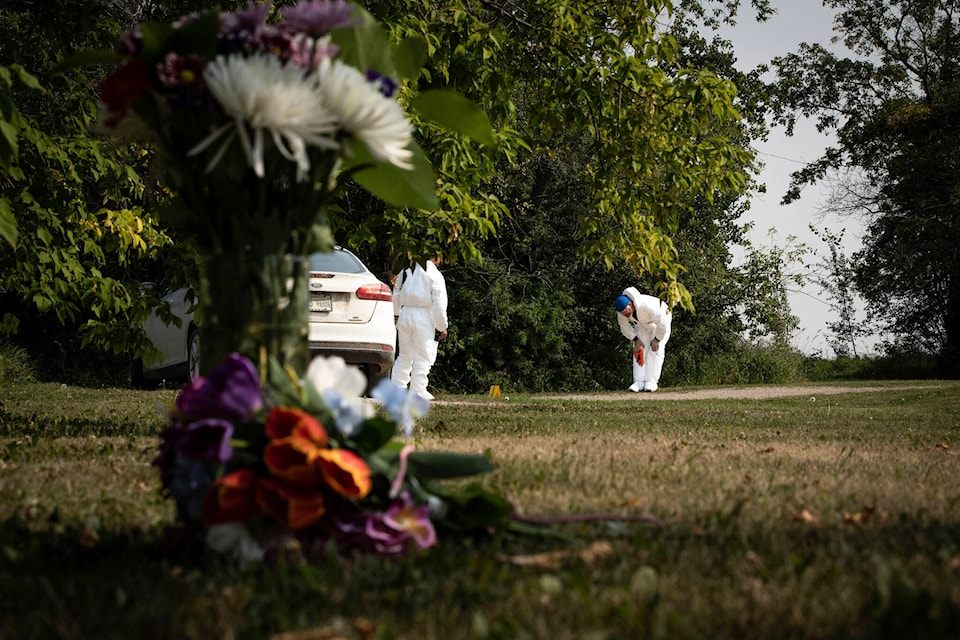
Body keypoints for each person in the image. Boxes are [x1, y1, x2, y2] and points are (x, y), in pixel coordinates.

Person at [391, 257, 448, 400]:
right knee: (423, 354)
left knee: (404, 354)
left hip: (405, 314)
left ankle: (397, 389)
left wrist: (397, 312)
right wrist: (442, 326)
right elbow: (439, 303)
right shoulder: (434, 274)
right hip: (424, 315)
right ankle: (417, 390)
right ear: (436, 258)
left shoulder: (405, 270)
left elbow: (396, 294)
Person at [614, 287, 672, 392]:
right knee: (639, 350)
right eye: (621, 312)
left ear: (630, 304)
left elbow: (662, 323)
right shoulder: (622, 312)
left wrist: (657, 339)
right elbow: (624, 327)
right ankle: (639, 381)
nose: (624, 314)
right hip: (643, 326)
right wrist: (636, 340)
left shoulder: (647, 305)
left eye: (625, 311)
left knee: (655, 350)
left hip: (661, 323)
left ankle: (651, 382)